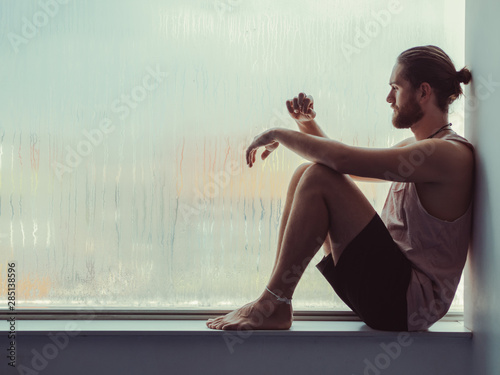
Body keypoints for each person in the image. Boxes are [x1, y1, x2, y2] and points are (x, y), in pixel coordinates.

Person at [206, 45, 474, 332]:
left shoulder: (447, 154)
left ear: (423, 92)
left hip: (406, 303)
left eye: (395, 87)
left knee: (318, 177)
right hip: (391, 292)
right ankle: (273, 300)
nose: (388, 98)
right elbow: (347, 166)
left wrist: (277, 133)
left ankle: (274, 301)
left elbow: (342, 160)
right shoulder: (422, 148)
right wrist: (306, 125)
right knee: (305, 173)